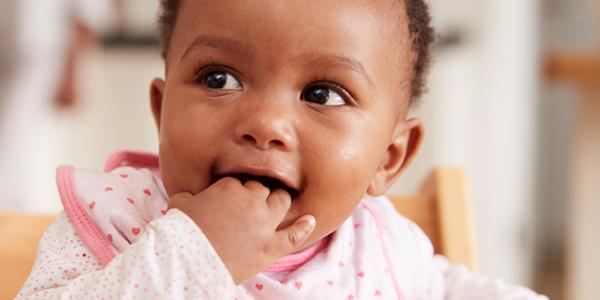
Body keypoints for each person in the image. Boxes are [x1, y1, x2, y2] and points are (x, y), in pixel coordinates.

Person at [17, 0, 546, 299]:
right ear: (161, 113)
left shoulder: (382, 248)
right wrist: (194, 252)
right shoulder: (114, 220)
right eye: (218, 78)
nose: (265, 124)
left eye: (323, 94)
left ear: (388, 159)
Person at [0, 0, 113, 212]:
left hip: (37, 53)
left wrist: (73, 70)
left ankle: (15, 215)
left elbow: (88, 13)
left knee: (16, 151)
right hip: (11, 49)